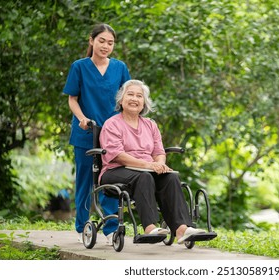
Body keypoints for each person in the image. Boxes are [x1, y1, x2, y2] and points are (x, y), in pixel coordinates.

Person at [99, 79, 205, 244]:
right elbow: (118, 155)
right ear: (121, 100)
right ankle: (150, 228)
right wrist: (148, 165)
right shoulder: (112, 124)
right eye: (130, 94)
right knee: (144, 177)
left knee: (170, 177)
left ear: (144, 104)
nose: (135, 99)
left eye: (139, 96)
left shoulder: (150, 125)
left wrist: (160, 164)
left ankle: (182, 229)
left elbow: (158, 152)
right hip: (116, 171)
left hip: (146, 170)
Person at [62, 23, 131, 244]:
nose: (106, 46)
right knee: (85, 180)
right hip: (86, 133)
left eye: (110, 43)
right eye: (101, 41)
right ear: (91, 40)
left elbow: (127, 98)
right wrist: (82, 118)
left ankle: (111, 226)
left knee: (109, 178)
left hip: (112, 135)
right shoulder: (79, 67)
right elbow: (72, 99)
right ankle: (83, 225)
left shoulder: (120, 68)